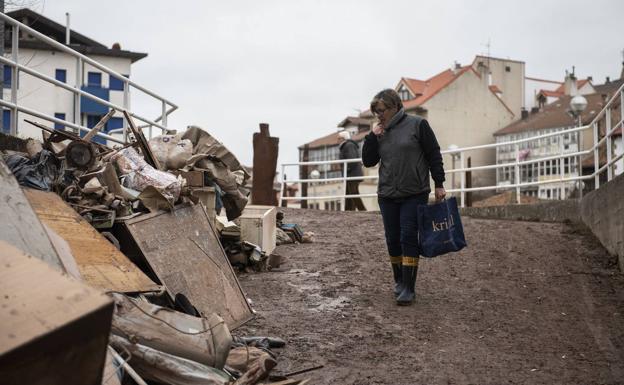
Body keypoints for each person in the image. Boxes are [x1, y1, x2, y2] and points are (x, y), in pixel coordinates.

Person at [361, 89, 446, 306]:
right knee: (392, 238)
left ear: (395, 107)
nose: (378, 115)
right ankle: (399, 280)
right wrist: (372, 136)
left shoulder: (418, 125)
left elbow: (433, 153)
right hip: (388, 193)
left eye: (381, 111)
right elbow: (368, 161)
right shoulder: (380, 132)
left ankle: (409, 287)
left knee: (408, 235)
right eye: (375, 112)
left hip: (414, 192)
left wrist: (439, 183)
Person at [338, 130, 366, 211]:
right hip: (351, 174)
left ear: (343, 138)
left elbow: (352, 159)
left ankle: (362, 210)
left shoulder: (349, 145)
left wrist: (347, 169)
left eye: (339, 138)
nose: (337, 140)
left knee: (353, 193)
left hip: (352, 174)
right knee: (348, 193)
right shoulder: (347, 145)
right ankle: (349, 210)